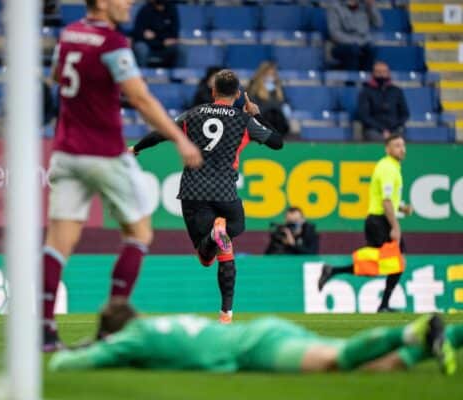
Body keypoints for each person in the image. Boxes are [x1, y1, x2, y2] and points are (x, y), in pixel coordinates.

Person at [43, 0, 203, 352]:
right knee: (140, 232)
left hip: (66, 152)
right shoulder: (113, 43)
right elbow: (142, 99)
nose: (130, 3)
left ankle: (44, 332)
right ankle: (110, 330)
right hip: (104, 153)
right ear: (102, 2)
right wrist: (180, 140)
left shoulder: (70, 33)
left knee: (58, 243)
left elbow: (57, 76)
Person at [130, 69, 284, 324]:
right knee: (231, 236)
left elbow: (163, 132)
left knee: (205, 256)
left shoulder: (194, 114)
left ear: (213, 92)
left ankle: (215, 238)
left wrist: (137, 148)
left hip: (193, 190)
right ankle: (226, 312)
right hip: (225, 192)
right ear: (237, 94)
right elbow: (277, 142)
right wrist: (257, 115)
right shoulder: (243, 119)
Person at [49, 299, 456, 375]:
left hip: (258, 346)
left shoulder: (131, 341)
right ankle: (444, 338)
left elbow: (69, 362)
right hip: (258, 333)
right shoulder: (152, 325)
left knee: (337, 360)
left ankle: (415, 329)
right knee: (370, 369)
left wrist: (86, 348)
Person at [318, 134, 412, 313]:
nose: (402, 149)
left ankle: (333, 271)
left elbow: (389, 200)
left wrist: (402, 207)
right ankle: (382, 304)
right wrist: (395, 227)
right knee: (393, 262)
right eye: (397, 145)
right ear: (387, 149)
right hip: (380, 221)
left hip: (379, 220)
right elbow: (385, 202)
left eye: (403, 145)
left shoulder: (392, 167)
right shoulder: (387, 168)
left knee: (386, 263)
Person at [358, 61, 410, 142]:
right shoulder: (366, 91)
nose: (382, 74)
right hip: (374, 130)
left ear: (388, 73)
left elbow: (405, 114)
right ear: (373, 73)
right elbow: (364, 116)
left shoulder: (396, 91)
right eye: (378, 72)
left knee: (399, 138)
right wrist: (382, 130)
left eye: (384, 72)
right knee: (374, 137)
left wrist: (392, 128)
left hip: (394, 129)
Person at [327, 0, 382, 71]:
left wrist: (371, 6)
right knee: (353, 50)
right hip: (341, 45)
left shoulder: (365, 6)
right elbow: (334, 33)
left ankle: (365, 80)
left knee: (372, 49)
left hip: (363, 43)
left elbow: (378, 24)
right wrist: (356, 42)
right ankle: (351, 81)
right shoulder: (335, 6)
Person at [246, 62, 291, 136]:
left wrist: (285, 107)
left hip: (278, 124)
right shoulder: (253, 88)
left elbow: (284, 103)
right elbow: (253, 108)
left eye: (273, 75)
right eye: (267, 74)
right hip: (261, 122)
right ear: (261, 75)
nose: (270, 77)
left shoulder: (278, 88)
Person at [131, 0, 179, 68]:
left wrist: (155, 36)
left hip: (164, 47)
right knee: (140, 47)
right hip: (148, 45)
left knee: (180, 48)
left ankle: (176, 77)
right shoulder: (145, 10)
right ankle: (141, 77)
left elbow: (174, 35)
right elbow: (138, 34)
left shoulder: (172, 9)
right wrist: (162, 41)